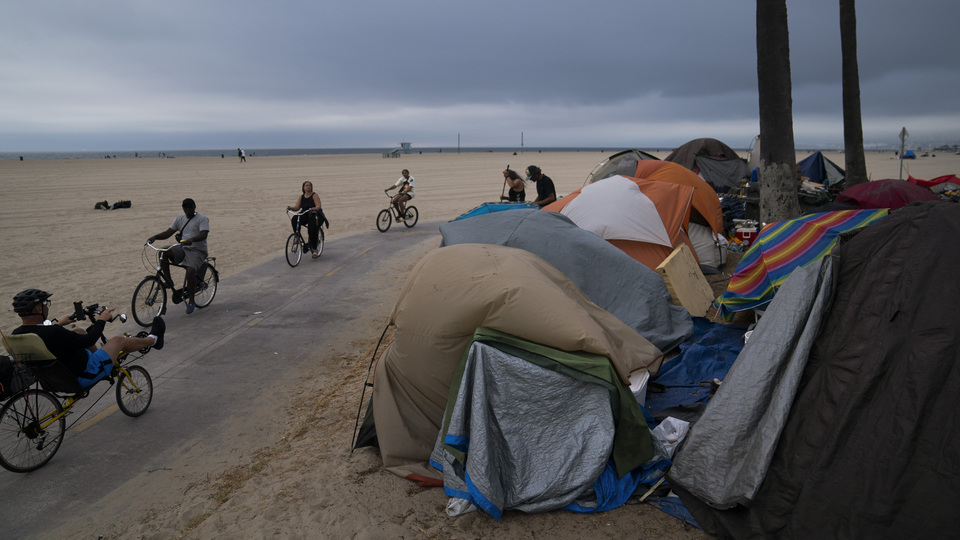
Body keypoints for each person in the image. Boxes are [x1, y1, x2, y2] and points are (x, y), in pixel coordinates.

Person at [11, 289, 165, 389]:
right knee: (118, 340)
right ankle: (154, 339)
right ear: (38, 309)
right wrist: (102, 320)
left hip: (52, 381)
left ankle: (104, 360)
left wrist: (59, 324)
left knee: (78, 331)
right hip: (80, 377)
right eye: (45, 304)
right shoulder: (54, 332)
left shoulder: (18, 334)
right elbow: (89, 341)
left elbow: (45, 336)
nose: (47, 307)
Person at [147, 198, 210, 314]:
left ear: (195, 207)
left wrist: (192, 240)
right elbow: (167, 233)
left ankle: (191, 300)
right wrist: (154, 237)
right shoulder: (180, 219)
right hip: (183, 248)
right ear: (183, 208)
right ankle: (169, 281)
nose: (188, 209)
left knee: (190, 271)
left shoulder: (202, 219)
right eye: (186, 207)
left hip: (197, 250)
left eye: (190, 207)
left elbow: (203, 235)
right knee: (163, 251)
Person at [286, 180, 329, 259]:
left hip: (314, 214)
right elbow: (297, 207)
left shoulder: (314, 195)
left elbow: (318, 205)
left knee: (312, 229)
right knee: (295, 219)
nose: (308, 186)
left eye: (309, 185)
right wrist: (291, 208)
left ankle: (315, 250)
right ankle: (297, 236)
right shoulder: (301, 197)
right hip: (305, 214)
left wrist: (315, 208)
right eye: (306, 185)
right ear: (303, 187)